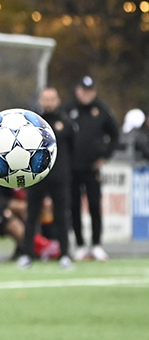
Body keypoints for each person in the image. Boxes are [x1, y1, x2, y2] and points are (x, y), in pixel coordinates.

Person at [18, 87, 74, 269]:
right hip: (36, 176)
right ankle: (27, 254)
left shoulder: (66, 123)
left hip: (59, 177)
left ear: (58, 101)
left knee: (62, 216)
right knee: (32, 215)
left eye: (52, 99)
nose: (49, 103)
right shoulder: (32, 123)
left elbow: (72, 149)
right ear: (40, 101)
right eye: (45, 99)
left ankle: (65, 254)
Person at [64, 76, 119, 261]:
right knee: (74, 207)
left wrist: (105, 156)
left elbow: (115, 135)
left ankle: (96, 244)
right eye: (83, 90)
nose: (86, 95)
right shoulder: (68, 110)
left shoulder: (102, 110)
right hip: (72, 168)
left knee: (95, 206)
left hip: (92, 168)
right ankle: (80, 244)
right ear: (77, 91)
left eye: (90, 91)